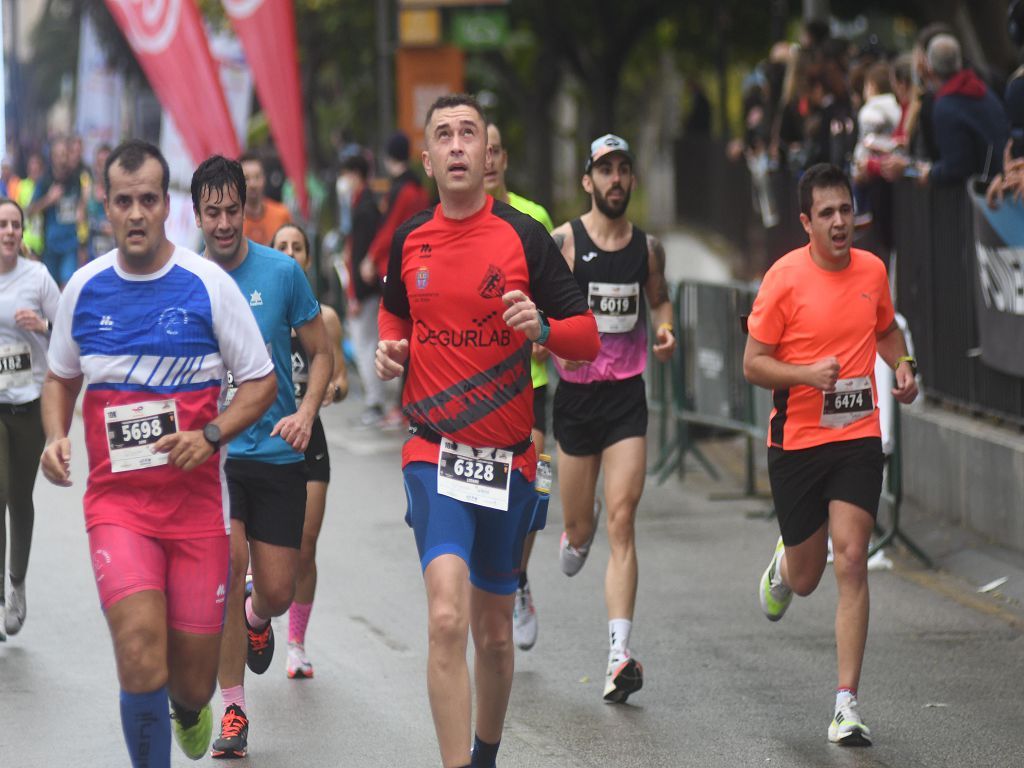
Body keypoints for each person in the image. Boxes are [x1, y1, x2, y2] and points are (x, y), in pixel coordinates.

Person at [375, 93, 599, 768]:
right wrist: (390, 350)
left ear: (487, 152)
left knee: (494, 634)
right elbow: (393, 317)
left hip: (506, 458)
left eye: (467, 132)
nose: (456, 144)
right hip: (432, 449)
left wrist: (545, 329)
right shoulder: (410, 238)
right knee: (446, 616)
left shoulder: (522, 238)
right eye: (443, 134)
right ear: (428, 157)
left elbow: (587, 339)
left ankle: (485, 755)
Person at [39, 139, 277, 767]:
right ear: (106, 207)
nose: (137, 212)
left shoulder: (208, 286)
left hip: (198, 514)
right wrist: (54, 434)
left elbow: (261, 381)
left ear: (166, 206)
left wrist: (212, 436)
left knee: (193, 682)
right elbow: (60, 376)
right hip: (119, 508)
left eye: (149, 199)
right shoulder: (85, 290)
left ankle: (189, 709)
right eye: (125, 201)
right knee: (140, 649)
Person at [743, 163, 918, 746]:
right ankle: (784, 566)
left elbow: (886, 329)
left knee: (851, 558)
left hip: (856, 437)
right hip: (796, 442)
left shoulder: (871, 269)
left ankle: (846, 703)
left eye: (846, 210)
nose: (841, 222)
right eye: (827, 214)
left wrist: (905, 366)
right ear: (805, 223)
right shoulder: (782, 279)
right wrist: (805, 374)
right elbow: (753, 363)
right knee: (809, 574)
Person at [191, 155, 332, 759]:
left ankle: (258, 616)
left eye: (233, 210)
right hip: (213, 456)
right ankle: (233, 712)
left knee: (275, 588)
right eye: (212, 212)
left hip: (277, 453)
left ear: (247, 207)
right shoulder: (185, 277)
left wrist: (305, 413)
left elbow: (321, 353)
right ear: (197, 213)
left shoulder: (281, 274)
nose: (224, 224)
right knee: (225, 570)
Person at [549, 133, 676, 704]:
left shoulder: (648, 249)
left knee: (623, 520)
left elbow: (659, 300)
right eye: (605, 171)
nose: (616, 179)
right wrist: (544, 342)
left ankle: (618, 655)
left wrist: (667, 328)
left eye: (624, 169)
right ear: (588, 181)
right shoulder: (564, 243)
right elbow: (540, 311)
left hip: (626, 396)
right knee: (582, 533)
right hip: (575, 400)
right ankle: (579, 529)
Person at [483, 121, 554, 652]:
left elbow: (557, 289)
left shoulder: (534, 218)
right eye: (476, 151)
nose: (484, 161)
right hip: (484, 388)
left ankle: (519, 575)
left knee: (538, 486)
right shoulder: (459, 225)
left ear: (504, 158)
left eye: (493, 151)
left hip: (534, 384)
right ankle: (494, 584)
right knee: (490, 495)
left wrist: (546, 331)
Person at [271, 221, 349, 679]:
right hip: (266, 438)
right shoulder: (260, 310)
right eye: (282, 246)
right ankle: (259, 609)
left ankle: (296, 643)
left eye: (298, 247)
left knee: (305, 544)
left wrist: (330, 393)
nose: (290, 253)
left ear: (307, 257)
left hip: (310, 440)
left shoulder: (326, 317)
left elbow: (339, 376)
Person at [0, 198, 59, 641]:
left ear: (23, 232)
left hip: (30, 405)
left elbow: (68, 332)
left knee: (20, 499)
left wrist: (41, 326)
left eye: (14, 224)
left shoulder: (37, 277)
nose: (8, 231)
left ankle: (16, 583)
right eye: (2, 224)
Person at [339, 154, 385, 427]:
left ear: (356, 174)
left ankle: (374, 401)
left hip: (364, 290)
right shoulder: (364, 204)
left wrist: (353, 294)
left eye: (347, 174)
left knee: (364, 344)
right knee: (368, 343)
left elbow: (359, 255)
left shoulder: (364, 208)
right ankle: (375, 399)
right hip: (367, 288)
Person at [28, 137, 87, 286]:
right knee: (51, 289)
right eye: (58, 155)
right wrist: (49, 199)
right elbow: (30, 210)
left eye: (65, 154)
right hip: (50, 246)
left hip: (70, 244)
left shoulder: (75, 179)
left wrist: (82, 208)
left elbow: (80, 206)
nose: (62, 159)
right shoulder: (45, 181)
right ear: (52, 158)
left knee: (67, 287)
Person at [240, 152, 291, 246]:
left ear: (264, 179)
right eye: (246, 178)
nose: (253, 184)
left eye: (257, 177)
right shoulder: (233, 219)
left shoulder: (281, 214)